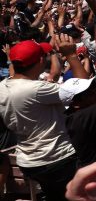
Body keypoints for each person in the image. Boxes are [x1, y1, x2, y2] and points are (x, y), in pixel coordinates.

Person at [0, 40, 78, 200]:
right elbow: (83, 89)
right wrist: (71, 55)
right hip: (56, 159)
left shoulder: (2, 87)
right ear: (41, 61)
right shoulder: (37, 89)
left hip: (29, 161)